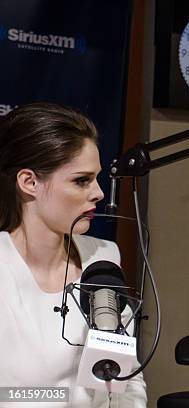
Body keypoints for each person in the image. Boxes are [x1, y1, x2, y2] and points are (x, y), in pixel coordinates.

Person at [0, 103, 147, 407]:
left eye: (96, 178)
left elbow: (128, 381)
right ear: (29, 183)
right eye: (81, 180)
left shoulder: (104, 258)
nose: (99, 193)